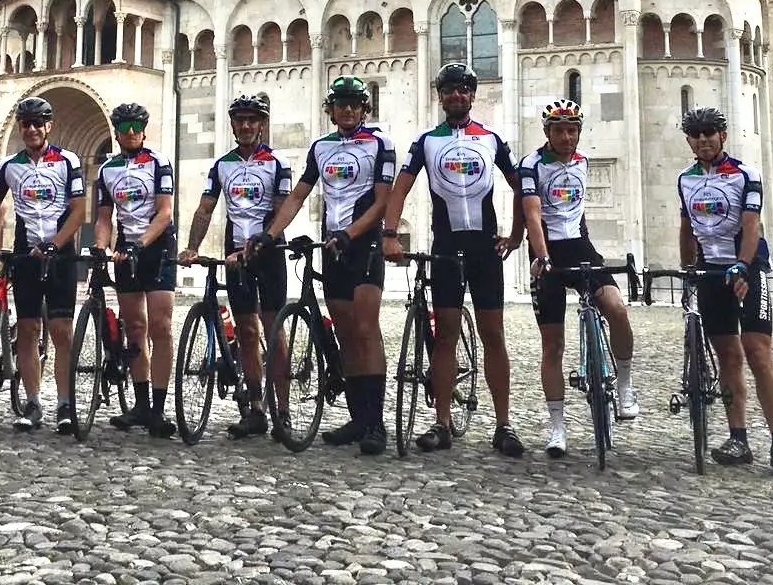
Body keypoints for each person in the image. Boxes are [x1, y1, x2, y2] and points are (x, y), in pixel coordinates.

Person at [383, 62, 525, 458]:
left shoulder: (492, 139)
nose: (457, 96)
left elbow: (521, 188)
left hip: (484, 248)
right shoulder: (427, 141)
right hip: (446, 246)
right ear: (439, 96)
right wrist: (390, 233)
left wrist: (517, 235)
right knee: (444, 334)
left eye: (463, 90)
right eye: (449, 90)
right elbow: (401, 188)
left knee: (493, 335)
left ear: (472, 96)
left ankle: (504, 424)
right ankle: (442, 423)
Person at [259, 75, 394, 456]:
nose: (348, 109)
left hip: (364, 244)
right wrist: (273, 233)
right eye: (341, 103)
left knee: (366, 329)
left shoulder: (380, 142)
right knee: (346, 334)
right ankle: (357, 418)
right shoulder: (321, 147)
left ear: (365, 109)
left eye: (355, 103)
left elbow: (383, 200)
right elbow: (299, 195)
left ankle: (376, 422)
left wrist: (353, 232)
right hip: (334, 246)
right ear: (331, 109)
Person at [675, 106, 773, 473]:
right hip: (710, 270)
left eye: (709, 133)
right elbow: (686, 227)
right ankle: (738, 437)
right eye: (696, 135)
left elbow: (751, 224)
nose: (703, 140)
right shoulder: (685, 179)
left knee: (757, 351)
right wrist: (687, 270)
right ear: (690, 142)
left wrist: (742, 265)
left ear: (722, 136)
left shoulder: (745, 174)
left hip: (746, 265)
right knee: (727, 354)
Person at [518, 98, 640, 459]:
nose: (567, 137)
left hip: (580, 247)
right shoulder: (532, 165)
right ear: (548, 133)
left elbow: (577, 209)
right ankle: (557, 426)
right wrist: (541, 257)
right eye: (560, 130)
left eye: (572, 130)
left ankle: (625, 384)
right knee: (552, 344)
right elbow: (532, 213)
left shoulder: (584, 162)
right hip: (547, 251)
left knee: (616, 308)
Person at [0, 95, 84, 435]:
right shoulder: (10, 165)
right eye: (26, 123)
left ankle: (66, 404)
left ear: (49, 126)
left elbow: (79, 211)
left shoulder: (67, 160)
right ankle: (34, 403)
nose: (32, 129)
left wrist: (55, 243)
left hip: (60, 253)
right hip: (26, 254)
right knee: (29, 329)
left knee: (62, 331)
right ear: (20, 127)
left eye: (38, 123)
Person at [181, 93, 291, 439]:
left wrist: (256, 246)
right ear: (232, 124)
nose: (245, 125)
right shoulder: (223, 165)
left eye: (252, 120)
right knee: (245, 330)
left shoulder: (278, 162)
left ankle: (283, 410)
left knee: (274, 329)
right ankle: (256, 409)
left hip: (269, 252)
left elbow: (279, 209)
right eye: (240, 120)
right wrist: (191, 247)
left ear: (262, 124)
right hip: (234, 254)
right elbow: (205, 208)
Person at [94, 102, 178, 438]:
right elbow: (103, 217)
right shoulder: (107, 169)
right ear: (115, 132)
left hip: (155, 246)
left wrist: (139, 244)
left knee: (161, 325)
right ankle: (141, 403)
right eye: (124, 127)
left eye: (136, 127)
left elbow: (165, 212)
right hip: (126, 249)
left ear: (144, 130)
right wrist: (101, 246)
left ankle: (158, 407)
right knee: (134, 327)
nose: (130, 133)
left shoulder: (159, 162)